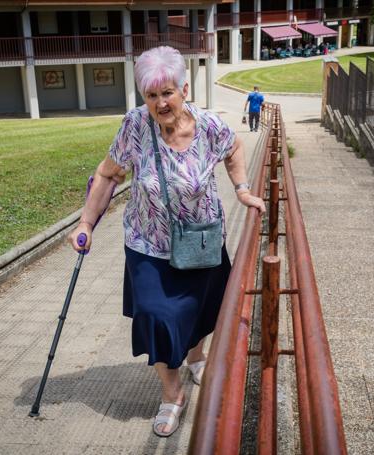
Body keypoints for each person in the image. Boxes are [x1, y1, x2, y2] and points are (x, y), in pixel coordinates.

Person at [68, 46, 265, 437]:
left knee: (201, 311)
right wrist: (85, 223)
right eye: (151, 95)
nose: (159, 103)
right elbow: (108, 175)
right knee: (158, 318)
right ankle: (172, 394)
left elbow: (234, 149)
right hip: (148, 244)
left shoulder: (209, 127)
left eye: (167, 93)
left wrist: (241, 189)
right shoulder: (135, 126)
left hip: (202, 239)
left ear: (185, 89)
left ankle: (196, 355)